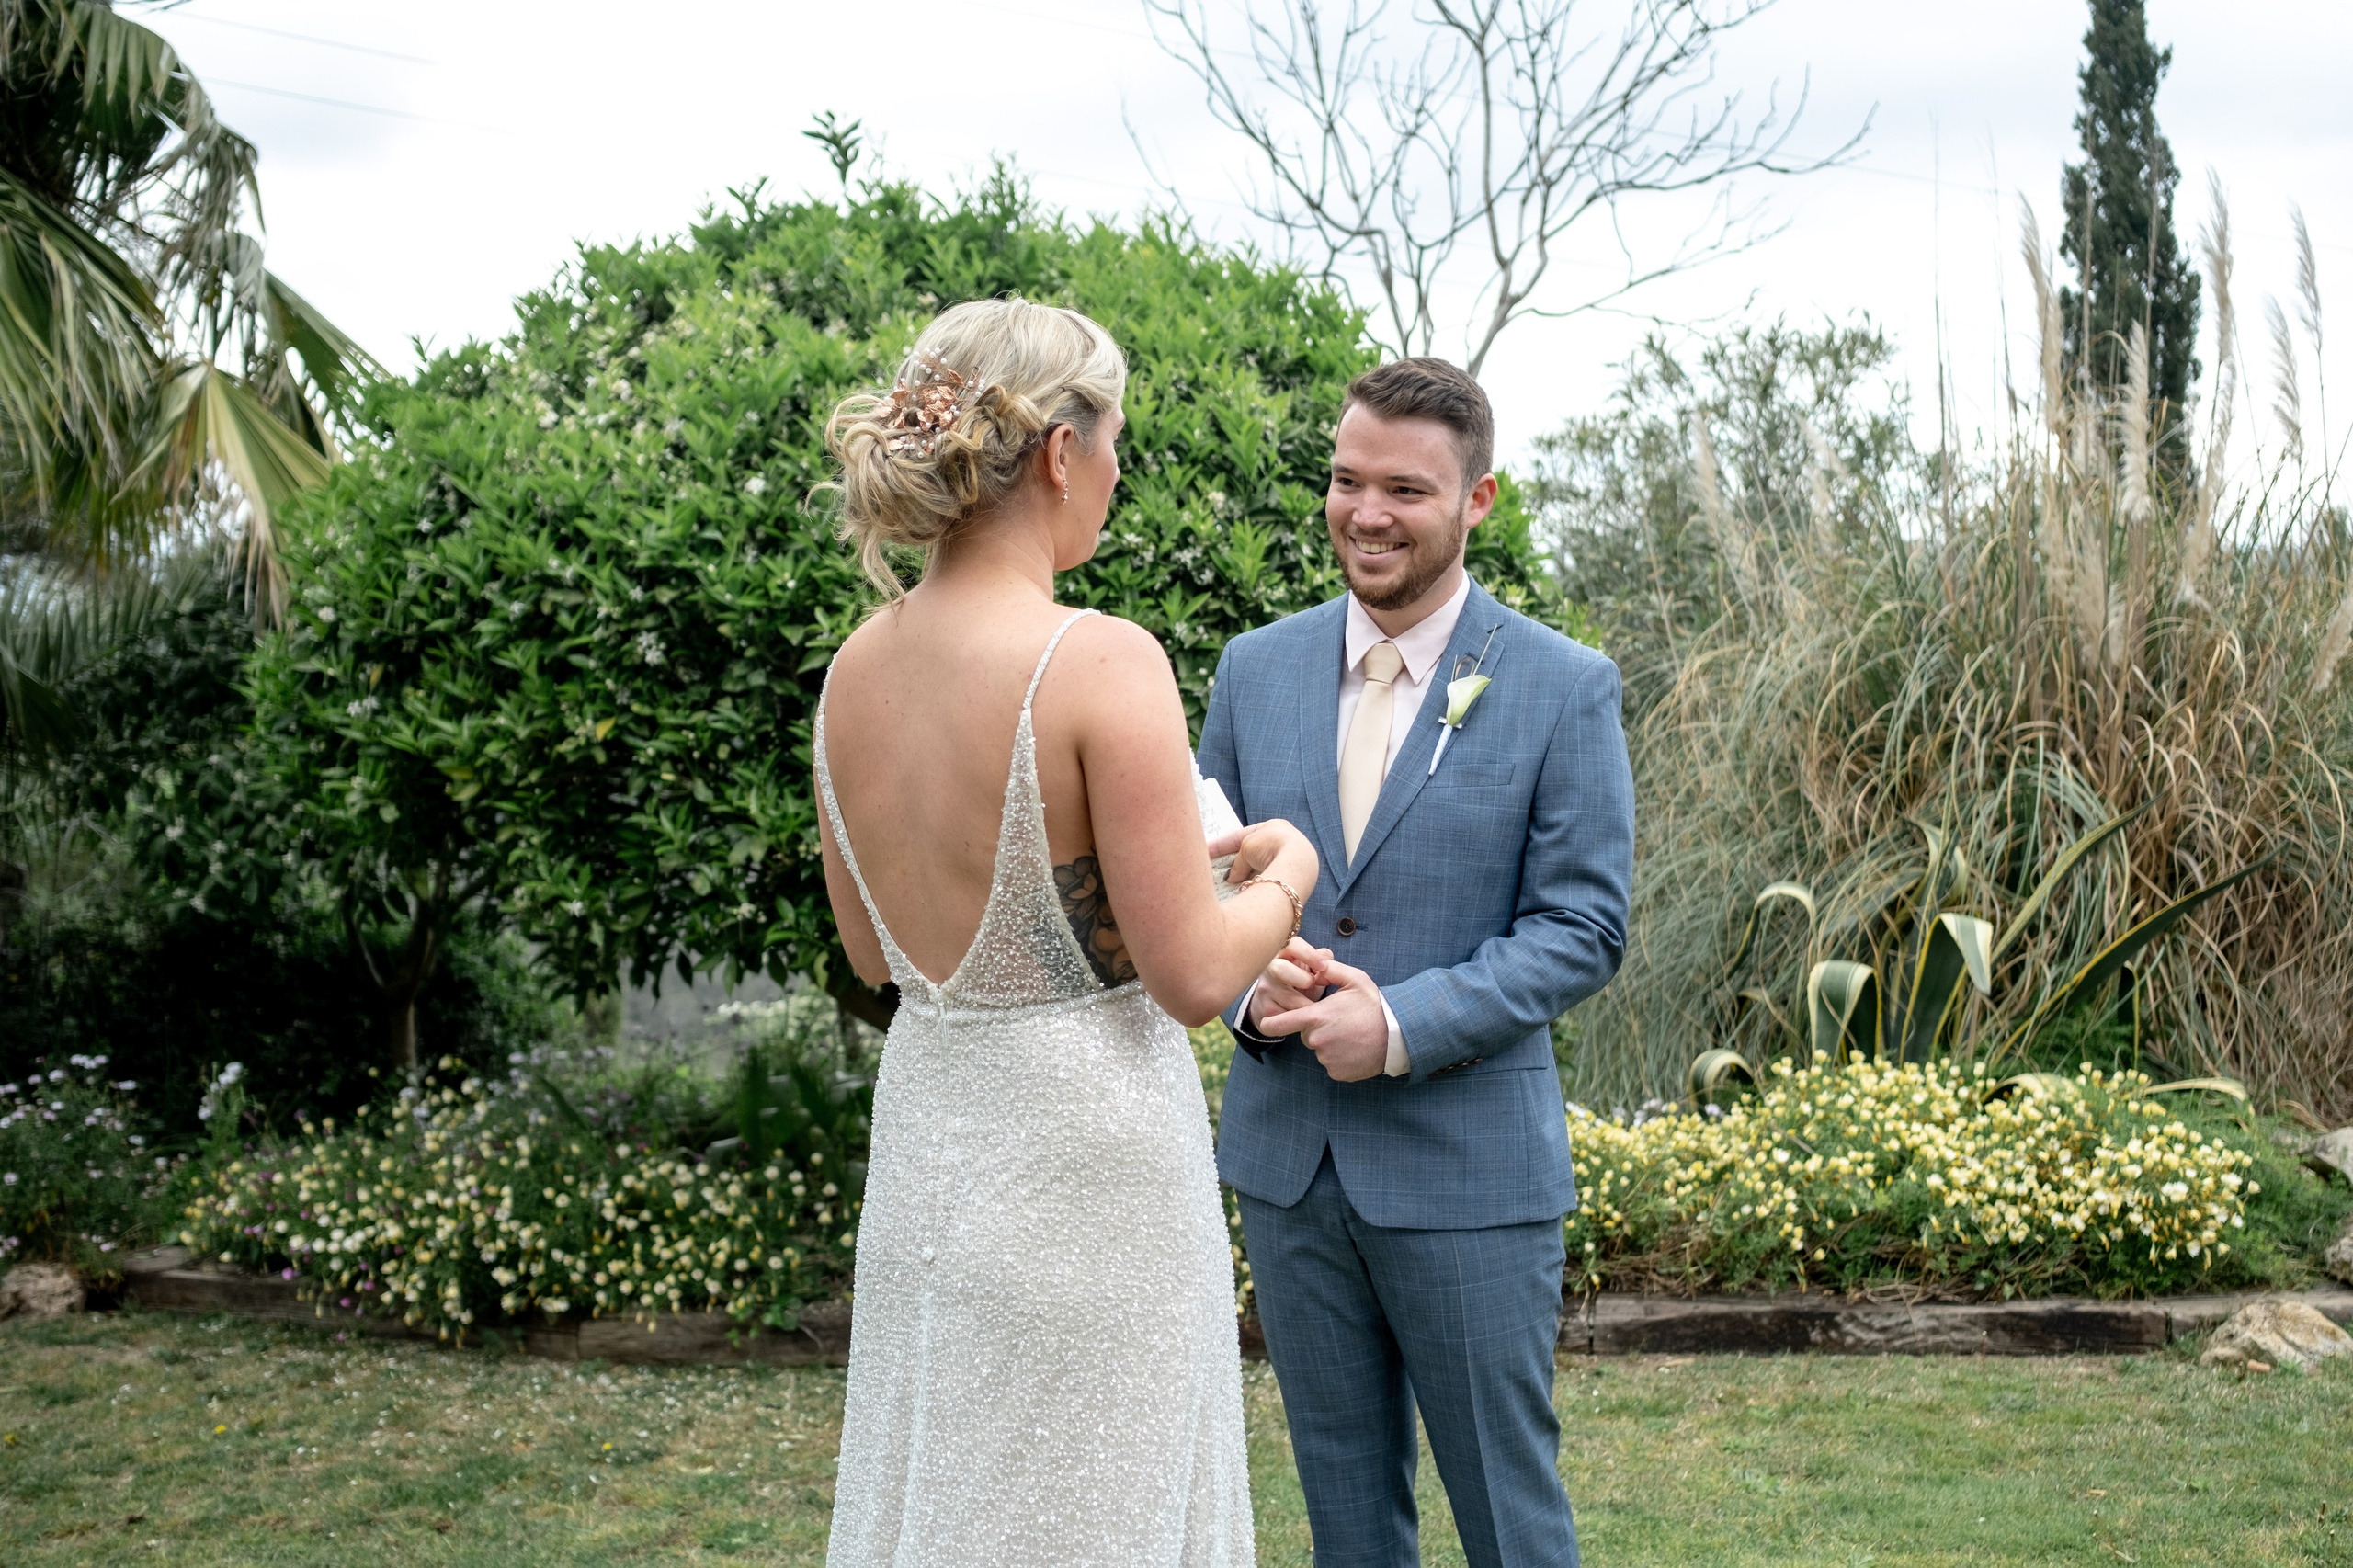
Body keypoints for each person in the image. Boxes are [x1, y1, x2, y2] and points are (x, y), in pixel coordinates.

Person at [813, 298, 1317, 1567]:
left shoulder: (853, 672)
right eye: (1115, 444)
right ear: (1057, 451)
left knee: (958, 1505)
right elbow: (1199, 972)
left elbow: (877, 957)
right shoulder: (1100, 660)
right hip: (1092, 1185)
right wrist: (1288, 872)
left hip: (935, 1152)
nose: (1116, 475)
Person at [1197, 358, 1635, 1568]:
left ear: (1479, 500)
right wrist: (1244, 986)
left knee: (1508, 1518)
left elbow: (1584, 924)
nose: (1367, 512)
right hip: (1290, 1170)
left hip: (1469, 1175)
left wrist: (1399, 1022)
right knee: (1346, 1523)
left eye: (1405, 488)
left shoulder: (1561, 686)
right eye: (1346, 481)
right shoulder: (1254, 669)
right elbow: (1199, 882)